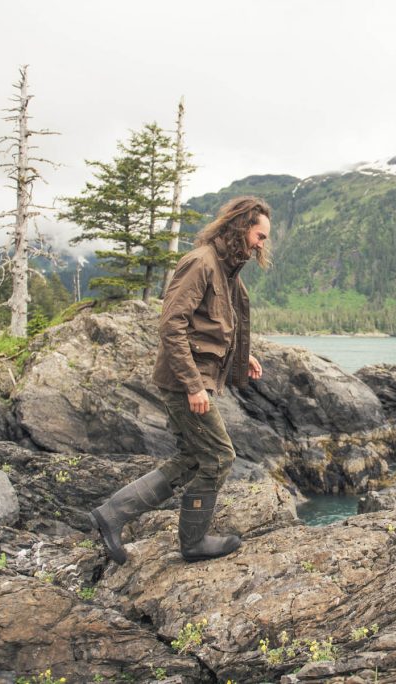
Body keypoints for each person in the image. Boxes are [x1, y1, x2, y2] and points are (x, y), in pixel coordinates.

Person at [89, 196, 271, 565]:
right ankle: (194, 542)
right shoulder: (200, 263)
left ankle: (111, 515)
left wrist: (241, 355)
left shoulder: (226, 269)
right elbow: (172, 325)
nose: (261, 244)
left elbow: (211, 324)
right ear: (241, 226)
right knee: (220, 457)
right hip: (183, 382)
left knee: (192, 458)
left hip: (196, 379)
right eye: (260, 235)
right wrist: (193, 385)